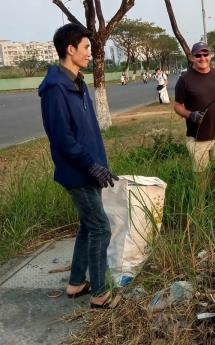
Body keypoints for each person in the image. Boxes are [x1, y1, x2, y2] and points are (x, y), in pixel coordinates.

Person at [38, 23, 119, 308]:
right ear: (70, 49)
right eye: (85, 48)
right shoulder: (54, 90)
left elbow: (89, 131)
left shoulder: (78, 82)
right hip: (76, 172)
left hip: (90, 168)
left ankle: (75, 284)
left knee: (88, 226)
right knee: (101, 228)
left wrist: (101, 164)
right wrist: (90, 165)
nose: (90, 53)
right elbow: (63, 139)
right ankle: (99, 293)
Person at [173, 42, 215, 190]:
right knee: (201, 175)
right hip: (197, 137)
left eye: (205, 54)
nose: (202, 58)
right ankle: (201, 203)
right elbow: (177, 106)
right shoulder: (184, 79)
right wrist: (190, 115)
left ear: (210, 56)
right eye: (198, 55)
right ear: (192, 57)